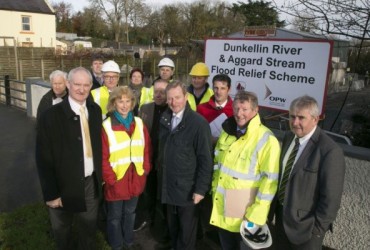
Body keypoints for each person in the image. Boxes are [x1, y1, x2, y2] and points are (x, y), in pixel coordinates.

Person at [36, 67, 103, 250]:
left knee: (88, 230)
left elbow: (98, 146)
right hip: (62, 184)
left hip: (90, 183)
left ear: (91, 86)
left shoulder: (95, 110)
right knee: (62, 231)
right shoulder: (50, 116)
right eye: (77, 84)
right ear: (68, 84)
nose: (81, 89)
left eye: (86, 85)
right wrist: (51, 193)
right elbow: (43, 157)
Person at [270, 95, 345, 250]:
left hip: (306, 231)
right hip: (281, 222)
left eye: (301, 118)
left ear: (315, 119)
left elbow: (331, 199)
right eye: (292, 117)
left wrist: (317, 230)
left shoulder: (329, 151)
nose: (295, 122)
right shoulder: (289, 137)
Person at [210, 90, 280, 250]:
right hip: (223, 206)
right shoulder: (227, 132)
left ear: (255, 111)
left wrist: (256, 214)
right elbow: (218, 164)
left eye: (244, 109)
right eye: (236, 109)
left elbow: (269, 182)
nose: (239, 113)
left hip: (247, 214)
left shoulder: (267, 140)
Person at [158, 81, 213, 250]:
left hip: (188, 191)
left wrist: (200, 189)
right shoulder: (165, 118)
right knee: (173, 228)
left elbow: (206, 160)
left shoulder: (198, 124)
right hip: (169, 186)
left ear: (186, 97)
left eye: (177, 97)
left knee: (187, 233)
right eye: (170, 98)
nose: (174, 102)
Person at [102, 86, 151, 250]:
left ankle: (128, 241)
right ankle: (116, 244)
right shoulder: (107, 126)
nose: (124, 105)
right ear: (113, 103)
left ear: (132, 103)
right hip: (116, 180)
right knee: (115, 217)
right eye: (120, 101)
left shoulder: (139, 123)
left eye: (127, 101)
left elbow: (146, 149)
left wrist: (145, 170)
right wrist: (110, 178)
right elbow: (103, 156)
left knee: (130, 214)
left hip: (136, 179)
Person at [137, 79, 171, 249]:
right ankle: (147, 219)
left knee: (162, 196)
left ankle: (163, 227)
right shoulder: (145, 109)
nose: (158, 95)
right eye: (156, 91)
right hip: (147, 159)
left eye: (162, 92)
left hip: (164, 162)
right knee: (148, 192)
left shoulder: (172, 111)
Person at [197, 73, 234, 144]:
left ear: (229, 90)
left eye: (222, 88)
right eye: (216, 88)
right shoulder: (201, 109)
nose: (218, 92)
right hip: (205, 150)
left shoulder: (236, 110)